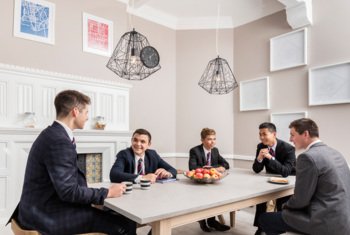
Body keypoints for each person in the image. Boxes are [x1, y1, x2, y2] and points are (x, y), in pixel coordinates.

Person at [8, 90, 136, 235]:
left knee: (109, 213)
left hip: (37, 208)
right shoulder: (59, 141)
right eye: (86, 112)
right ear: (75, 111)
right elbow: (68, 191)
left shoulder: (51, 134)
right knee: (126, 224)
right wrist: (107, 192)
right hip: (45, 215)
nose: (87, 117)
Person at [259, 118, 350, 235]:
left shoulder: (308, 157)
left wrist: (284, 206)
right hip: (344, 220)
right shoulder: (335, 153)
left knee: (265, 218)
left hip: (324, 221)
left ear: (305, 134)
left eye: (292, 135)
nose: (290, 139)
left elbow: (300, 200)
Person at [252, 122, 296, 235]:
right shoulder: (260, 146)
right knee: (260, 199)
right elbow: (256, 169)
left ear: (274, 134)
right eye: (260, 134)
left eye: (264, 134)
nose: (261, 137)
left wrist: (270, 158)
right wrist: (259, 158)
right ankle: (260, 228)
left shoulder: (288, 148)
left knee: (282, 203)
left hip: (287, 181)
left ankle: (279, 229)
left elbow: (286, 172)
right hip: (269, 180)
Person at [189, 128, 230, 232]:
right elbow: (193, 168)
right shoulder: (195, 151)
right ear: (202, 140)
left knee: (216, 197)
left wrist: (217, 168)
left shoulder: (215, 151)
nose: (213, 142)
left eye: (214, 139)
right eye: (209, 139)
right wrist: (215, 168)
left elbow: (226, 164)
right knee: (205, 197)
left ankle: (212, 221)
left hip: (212, 182)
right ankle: (202, 220)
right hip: (198, 184)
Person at [110, 128, 177, 184]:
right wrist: (143, 178)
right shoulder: (124, 154)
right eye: (135, 140)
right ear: (131, 141)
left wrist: (167, 173)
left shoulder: (153, 155)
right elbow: (114, 174)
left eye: (142, 141)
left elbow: (173, 170)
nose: (138, 144)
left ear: (149, 144)